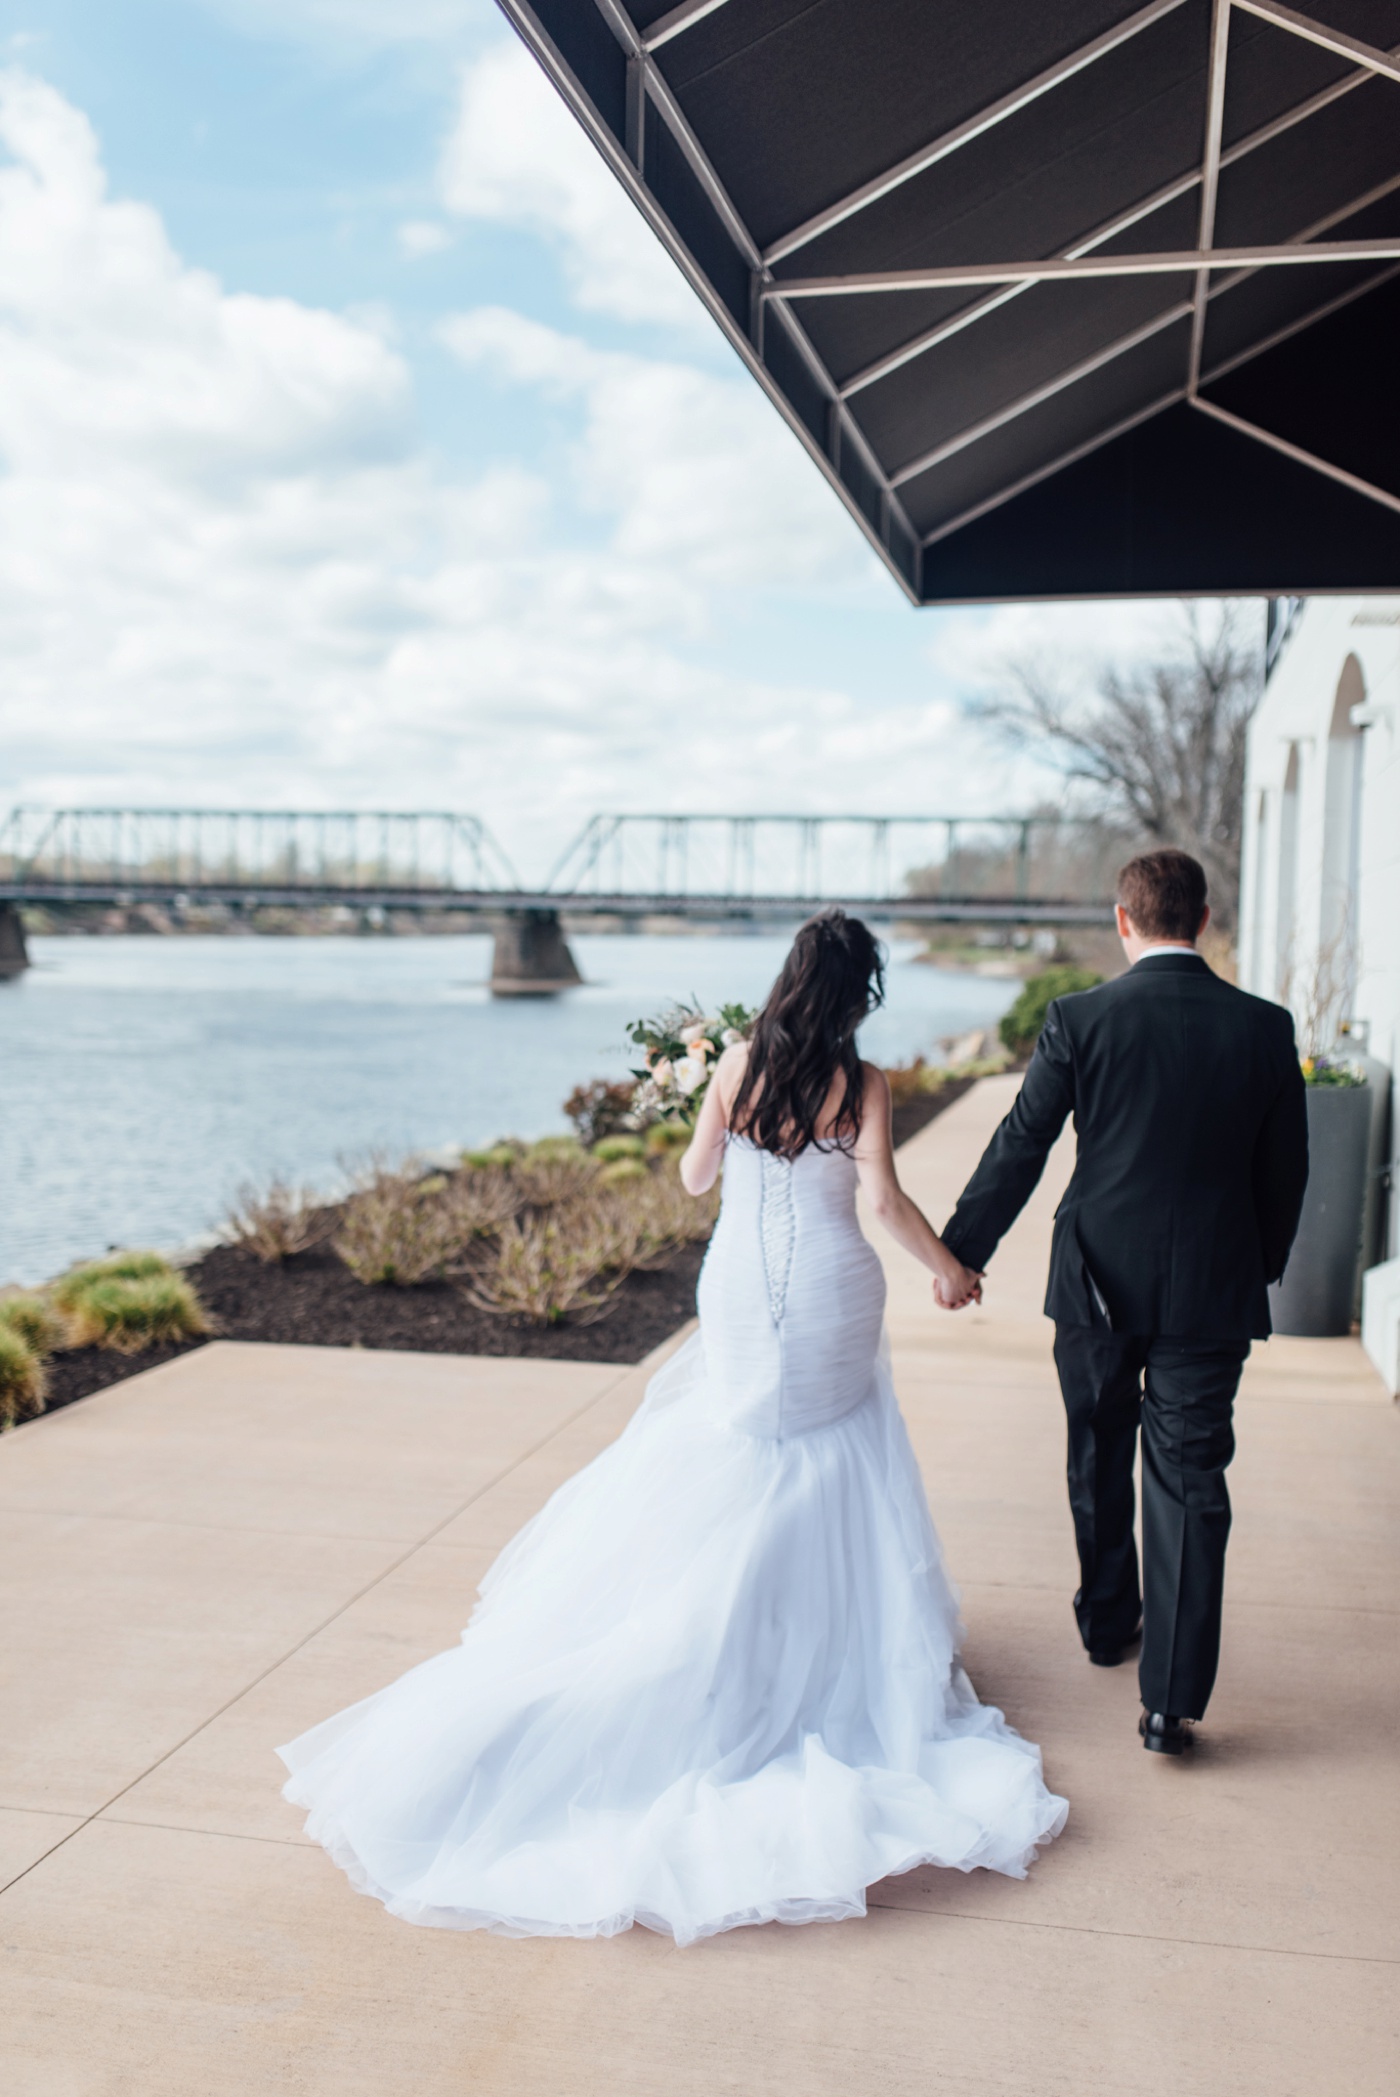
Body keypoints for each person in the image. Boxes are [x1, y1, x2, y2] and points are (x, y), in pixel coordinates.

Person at [277, 910, 1067, 1943]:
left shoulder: (737, 1062)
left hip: (740, 1286)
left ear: (788, 979)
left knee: (741, 1454)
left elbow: (696, 1180)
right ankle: (815, 1650)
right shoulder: (862, 1083)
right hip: (833, 1291)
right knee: (826, 1462)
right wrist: (950, 1271)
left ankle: (728, 1640)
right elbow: (880, 1199)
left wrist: (701, 1106)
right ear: (857, 992)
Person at [939, 850, 1309, 1755]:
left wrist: (960, 1251)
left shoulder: (1080, 1018)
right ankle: (1169, 1703)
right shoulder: (1264, 1026)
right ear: (1205, 919)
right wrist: (1254, 1266)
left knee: (1100, 1447)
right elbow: (1287, 1172)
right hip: (1212, 1292)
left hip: (1097, 1284)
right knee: (1189, 1477)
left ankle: (1109, 1621)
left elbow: (1021, 1143)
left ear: (1123, 921)